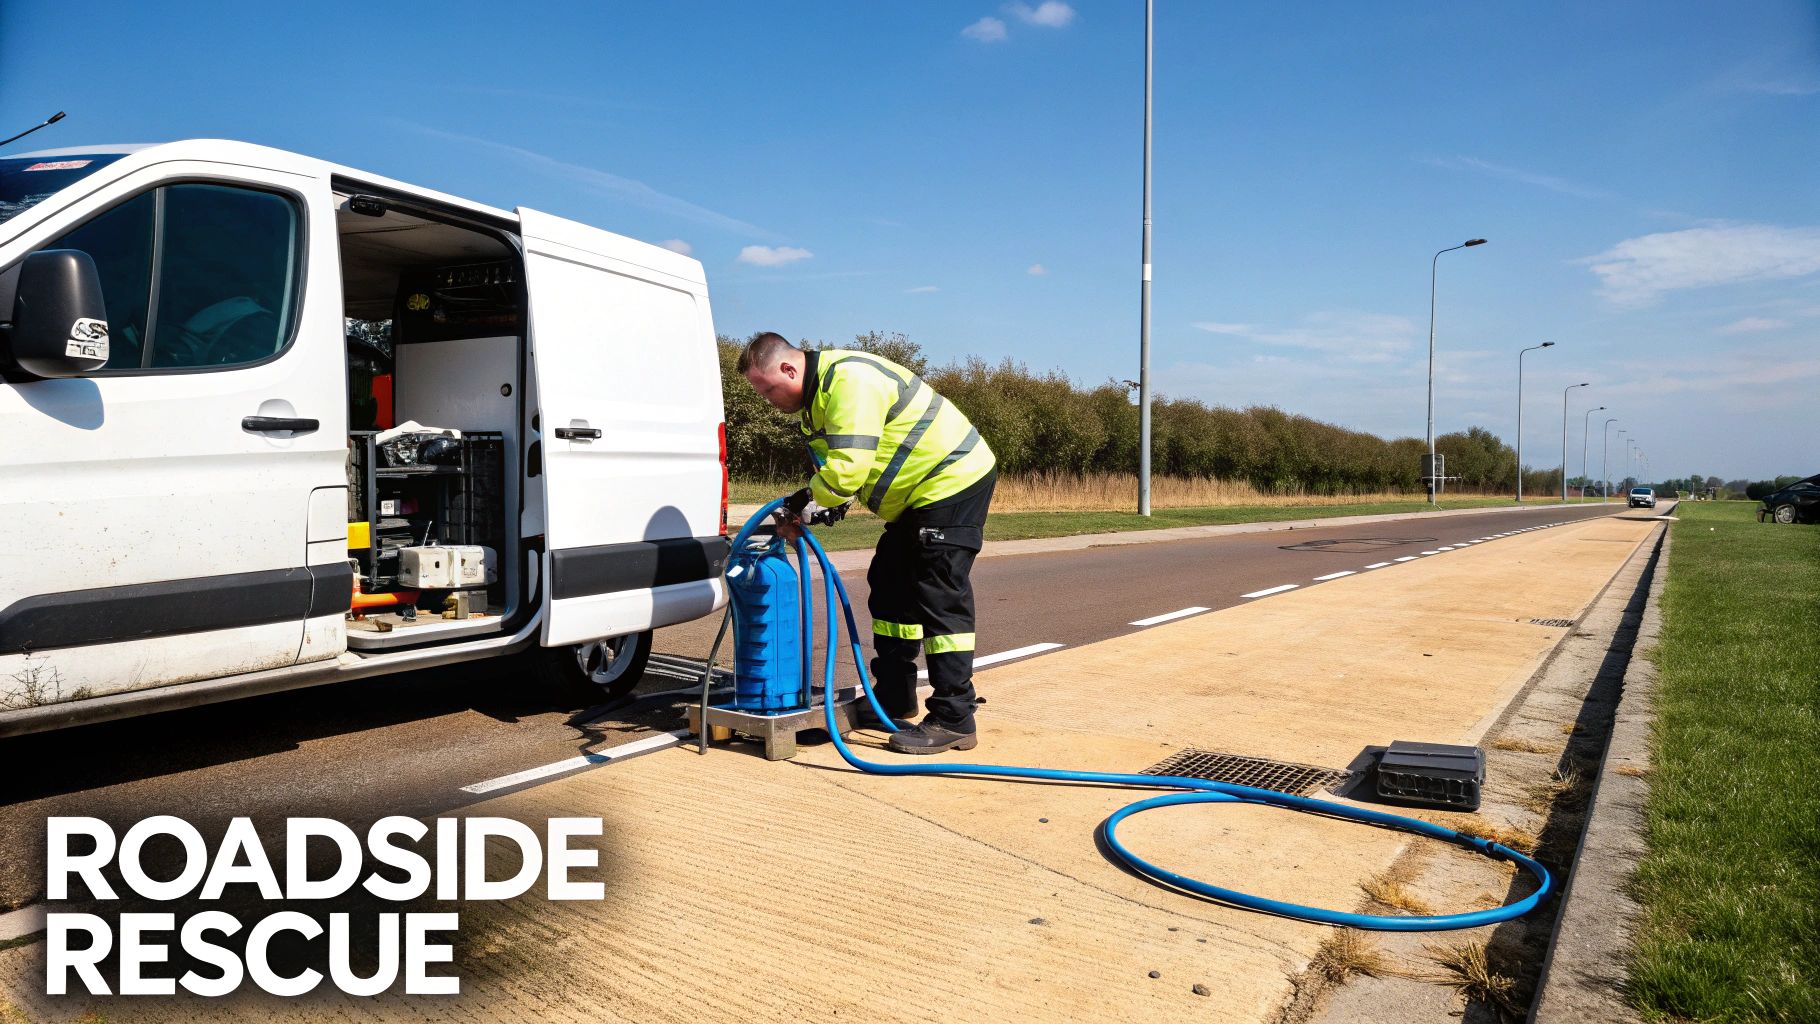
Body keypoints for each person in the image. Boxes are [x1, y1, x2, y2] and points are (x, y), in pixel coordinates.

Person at [738, 332, 997, 754]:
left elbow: (846, 472)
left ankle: (955, 717)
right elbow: (845, 476)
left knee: (938, 592)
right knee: (892, 585)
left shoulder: (848, 381)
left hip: (952, 481)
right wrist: (813, 508)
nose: (768, 400)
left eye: (767, 389)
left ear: (789, 368)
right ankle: (894, 697)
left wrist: (801, 502)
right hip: (914, 500)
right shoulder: (815, 405)